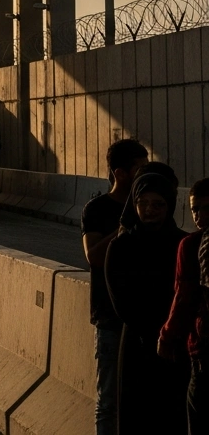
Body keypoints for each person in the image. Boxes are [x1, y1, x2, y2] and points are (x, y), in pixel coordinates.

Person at [106, 167, 188, 433]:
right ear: (134, 204)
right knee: (136, 416)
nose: (150, 210)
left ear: (170, 205)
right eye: (143, 203)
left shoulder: (182, 245)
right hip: (137, 345)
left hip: (175, 347)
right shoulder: (121, 247)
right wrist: (155, 333)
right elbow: (123, 303)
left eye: (158, 204)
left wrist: (171, 333)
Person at [83, 138, 149, 435]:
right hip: (109, 318)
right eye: (140, 168)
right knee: (108, 400)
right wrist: (124, 228)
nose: (145, 174)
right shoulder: (97, 209)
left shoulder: (150, 206)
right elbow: (94, 256)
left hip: (147, 320)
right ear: (121, 173)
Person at [160, 178, 209, 432]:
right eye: (195, 209)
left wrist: (167, 336)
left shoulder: (191, 245)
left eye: (204, 208)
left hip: (203, 349)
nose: (199, 216)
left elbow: (183, 296)